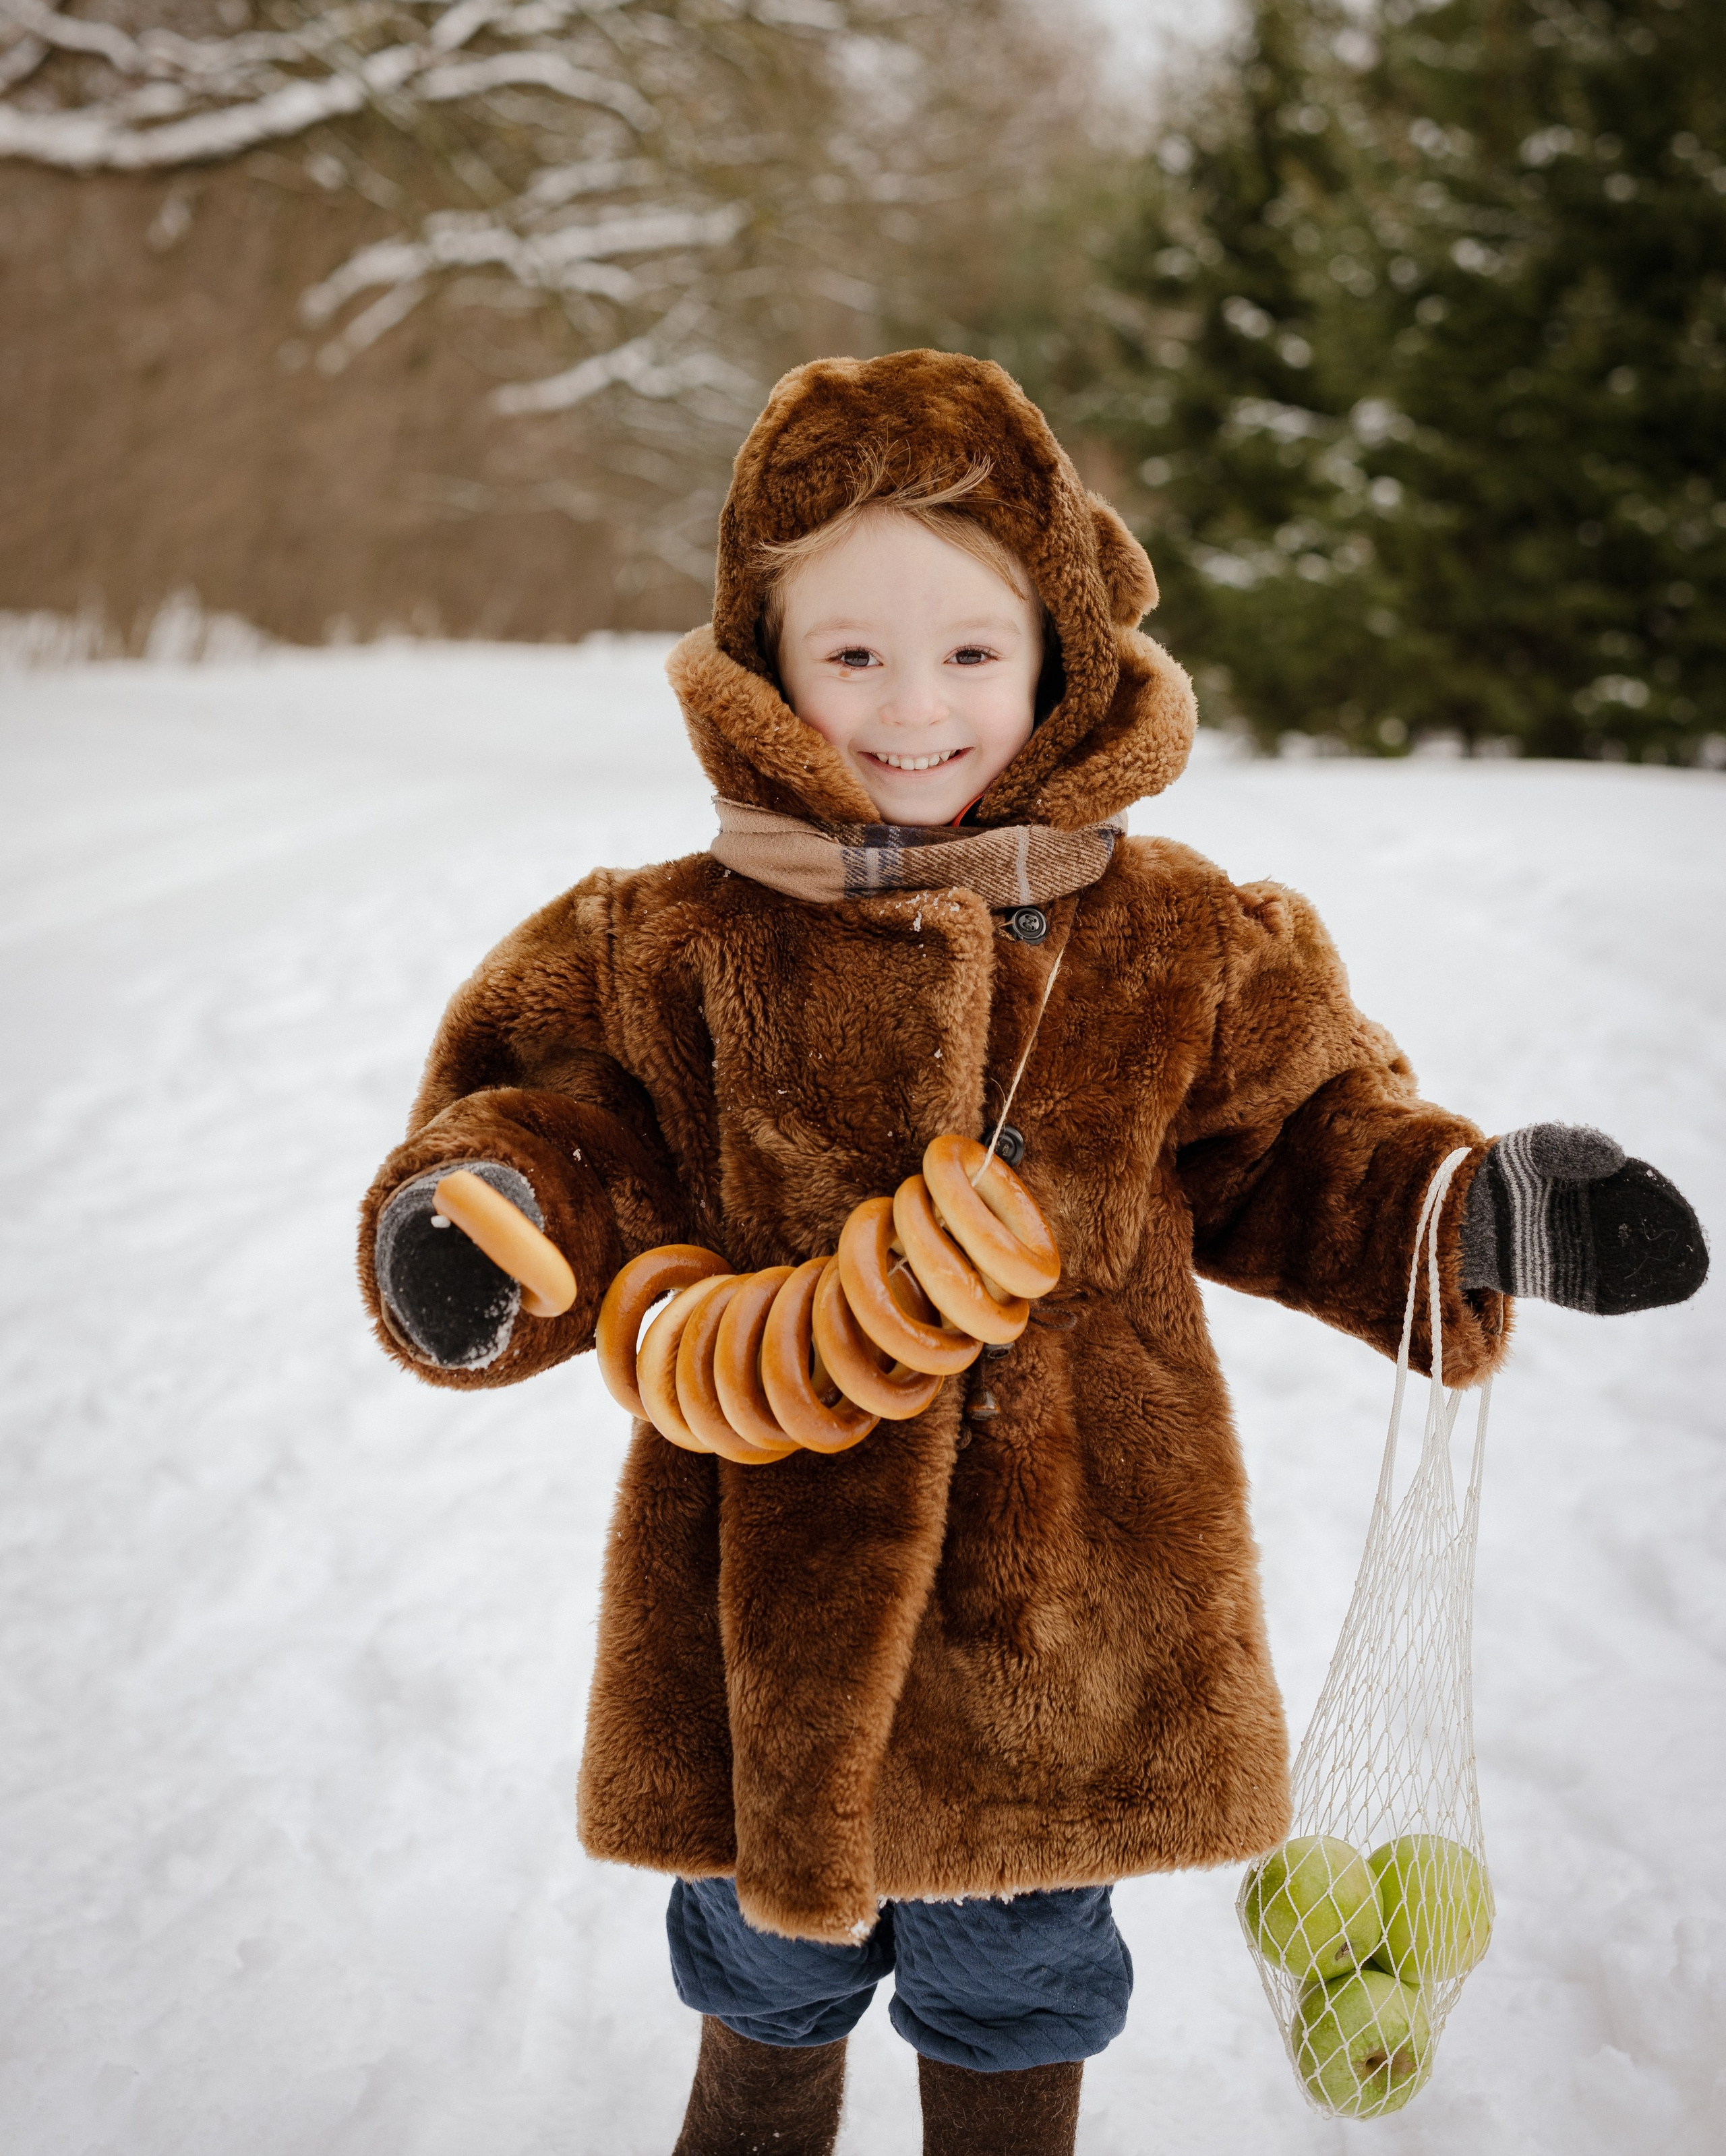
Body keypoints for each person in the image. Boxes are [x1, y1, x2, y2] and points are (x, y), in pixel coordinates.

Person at [358, 351, 1706, 2155]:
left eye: (971, 654)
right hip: (770, 1611)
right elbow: (558, 1133)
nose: (914, 708)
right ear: (767, 665)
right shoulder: (667, 945)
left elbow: (1308, 1151)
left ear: (1058, 650)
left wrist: (1470, 1208)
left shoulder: (1173, 941)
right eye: (852, 657)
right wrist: (467, 1228)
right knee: (761, 1972)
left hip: (1067, 1619)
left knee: (1019, 1986)